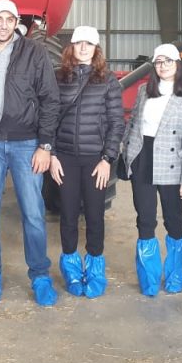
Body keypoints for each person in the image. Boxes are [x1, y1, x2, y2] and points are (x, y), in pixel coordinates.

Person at [0, 0, 60, 307]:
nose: (4, 24)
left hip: (26, 144)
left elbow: (50, 99)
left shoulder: (34, 53)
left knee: (34, 214)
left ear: (17, 21)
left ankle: (39, 276)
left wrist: (45, 145)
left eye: (10, 19)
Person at [48, 26, 124, 299]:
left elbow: (117, 122)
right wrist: (52, 155)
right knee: (67, 215)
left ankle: (94, 268)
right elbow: (50, 118)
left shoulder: (108, 81)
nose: (83, 48)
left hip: (95, 160)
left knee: (94, 215)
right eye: (78, 43)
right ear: (71, 47)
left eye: (88, 44)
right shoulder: (59, 78)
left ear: (96, 50)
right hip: (65, 158)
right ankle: (70, 266)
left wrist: (107, 159)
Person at [120, 43, 182, 297]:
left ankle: (176, 274)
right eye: (159, 62)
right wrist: (125, 154)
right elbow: (132, 123)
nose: (163, 66)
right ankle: (149, 277)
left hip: (171, 164)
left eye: (168, 61)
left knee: (174, 219)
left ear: (178, 64)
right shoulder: (144, 91)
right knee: (145, 219)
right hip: (142, 157)